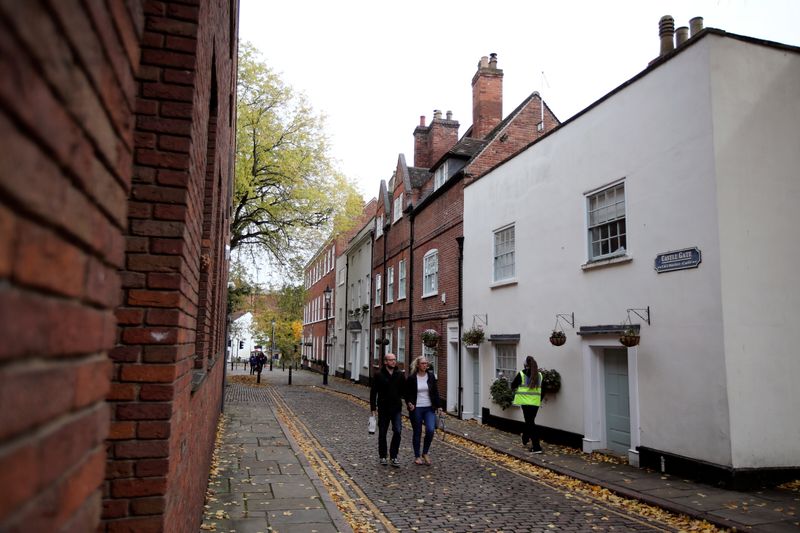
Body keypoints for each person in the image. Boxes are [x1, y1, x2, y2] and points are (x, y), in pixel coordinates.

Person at [370, 353, 405, 468]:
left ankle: (394, 456)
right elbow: (373, 392)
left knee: (398, 431)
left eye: (394, 360)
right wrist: (373, 408)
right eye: (391, 360)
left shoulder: (399, 374)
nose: (393, 362)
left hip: (396, 409)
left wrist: (408, 402)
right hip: (383, 408)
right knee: (383, 433)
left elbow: (403, 391)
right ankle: (383, 456)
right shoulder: (379, 375)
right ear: (385, 362)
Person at [405, 356, 441, 465]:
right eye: (423, 363)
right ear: (418, 365)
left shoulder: (430, 376)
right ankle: (417, 456)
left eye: (426, 363)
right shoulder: (412, 378)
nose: (425, 365)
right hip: (417, 408)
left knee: (430, 430)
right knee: (418, 431)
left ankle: (425, 453)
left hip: (429, 407)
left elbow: (435, 392)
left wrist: (439, 406)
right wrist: (409, 403)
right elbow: (407, 393)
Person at [511, 355, 543, 454]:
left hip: (525, 402)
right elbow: (543, 390)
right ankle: (525, 437)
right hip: (535, 403)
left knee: (530, 423)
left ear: (525, 364)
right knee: (530, 421)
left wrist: (516, 390)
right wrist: (538, 399)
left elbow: (513, 385)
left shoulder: (522, 374)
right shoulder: (540, 375)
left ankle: (537, 447)